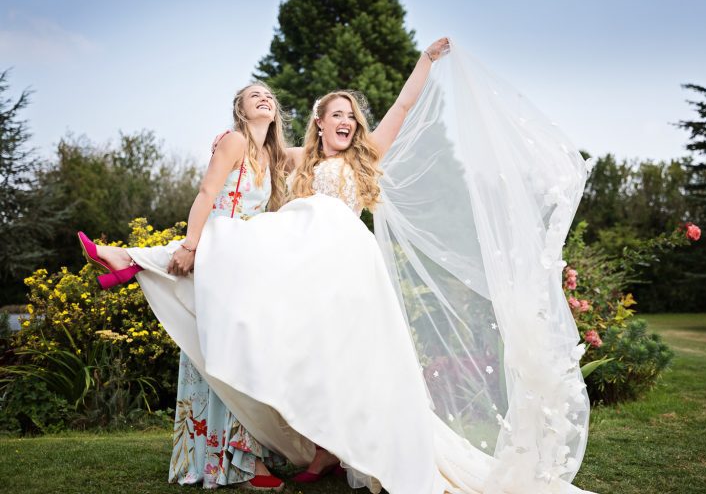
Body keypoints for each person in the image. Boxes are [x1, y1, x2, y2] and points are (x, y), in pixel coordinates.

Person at [82, 37, 595, 494]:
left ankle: (131, 259)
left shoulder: (365, 154)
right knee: (239, 250)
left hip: (344, 262)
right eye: (337, 115)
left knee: (342, 352)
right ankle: (134, 259)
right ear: (320, 124)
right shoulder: (300, 158)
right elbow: (252, 154)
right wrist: (229, 138)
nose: (346, 122)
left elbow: (403, 104)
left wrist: (424, 62)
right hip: (305, 256)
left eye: (352, 116)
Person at [78, 81, 294, 491]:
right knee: (232, 354)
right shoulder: (233, 141)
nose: (265, 98)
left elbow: (318, 156)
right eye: (255, 96)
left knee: (229, 351)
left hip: (245, 265)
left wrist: (337, 126)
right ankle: (238, 464)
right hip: (221, 250)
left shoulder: (272, 154)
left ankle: (126, 257)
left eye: (269, 95)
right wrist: (192, 244)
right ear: (240, 111)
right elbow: (206, 193)